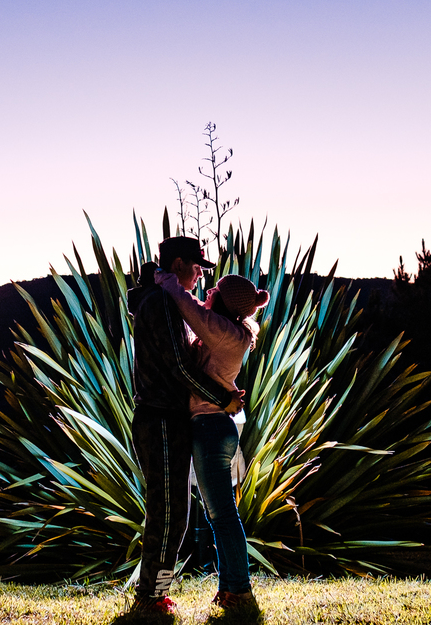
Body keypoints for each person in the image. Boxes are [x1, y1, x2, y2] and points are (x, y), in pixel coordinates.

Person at [125, 236, 244, 617]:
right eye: (196, 268)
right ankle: (150, 596)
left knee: (173, 510)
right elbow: (179, 367)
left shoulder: (162, 301)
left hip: (166, 417)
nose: (199, 276)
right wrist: (223, 398)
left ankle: (155, 593)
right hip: (160, 417)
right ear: (178, 264)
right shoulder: (161, 303)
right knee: (168, 511)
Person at [155, 269, 268, 614]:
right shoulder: (227, 333)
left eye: (215, 290)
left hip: (210, 429)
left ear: (224, 301)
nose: (208, 291)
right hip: (213, 427)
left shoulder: (224, 333)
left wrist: (166, 280)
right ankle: (230, 588)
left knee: (222, 514)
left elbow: (188, 307)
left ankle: (241, 591)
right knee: (219, 513)